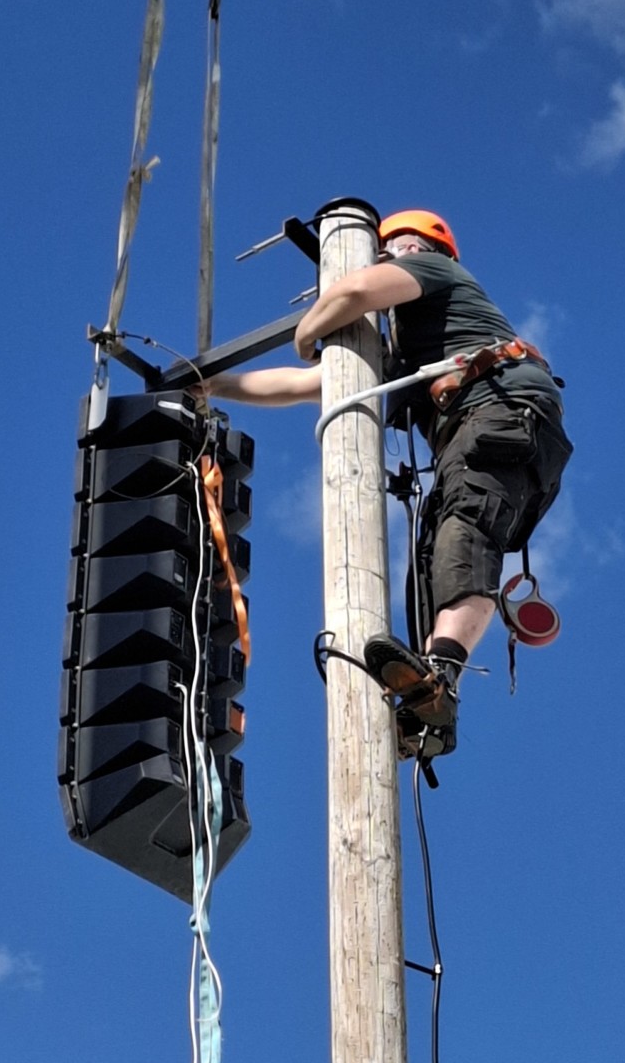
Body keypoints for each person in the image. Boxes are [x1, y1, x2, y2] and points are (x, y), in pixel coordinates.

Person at [201, 209, 572, 758]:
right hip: (482, 432)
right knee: (437, 561)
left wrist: (307, 330)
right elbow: (305, 386)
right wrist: (209, 385)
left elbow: (353, 292)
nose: (383, 258)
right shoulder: (404, 355)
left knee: (465, 537)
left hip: (500, 415)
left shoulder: (438, 272)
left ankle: (441, 676)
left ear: (418, 248)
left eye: (388, 249)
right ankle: (431, 698)